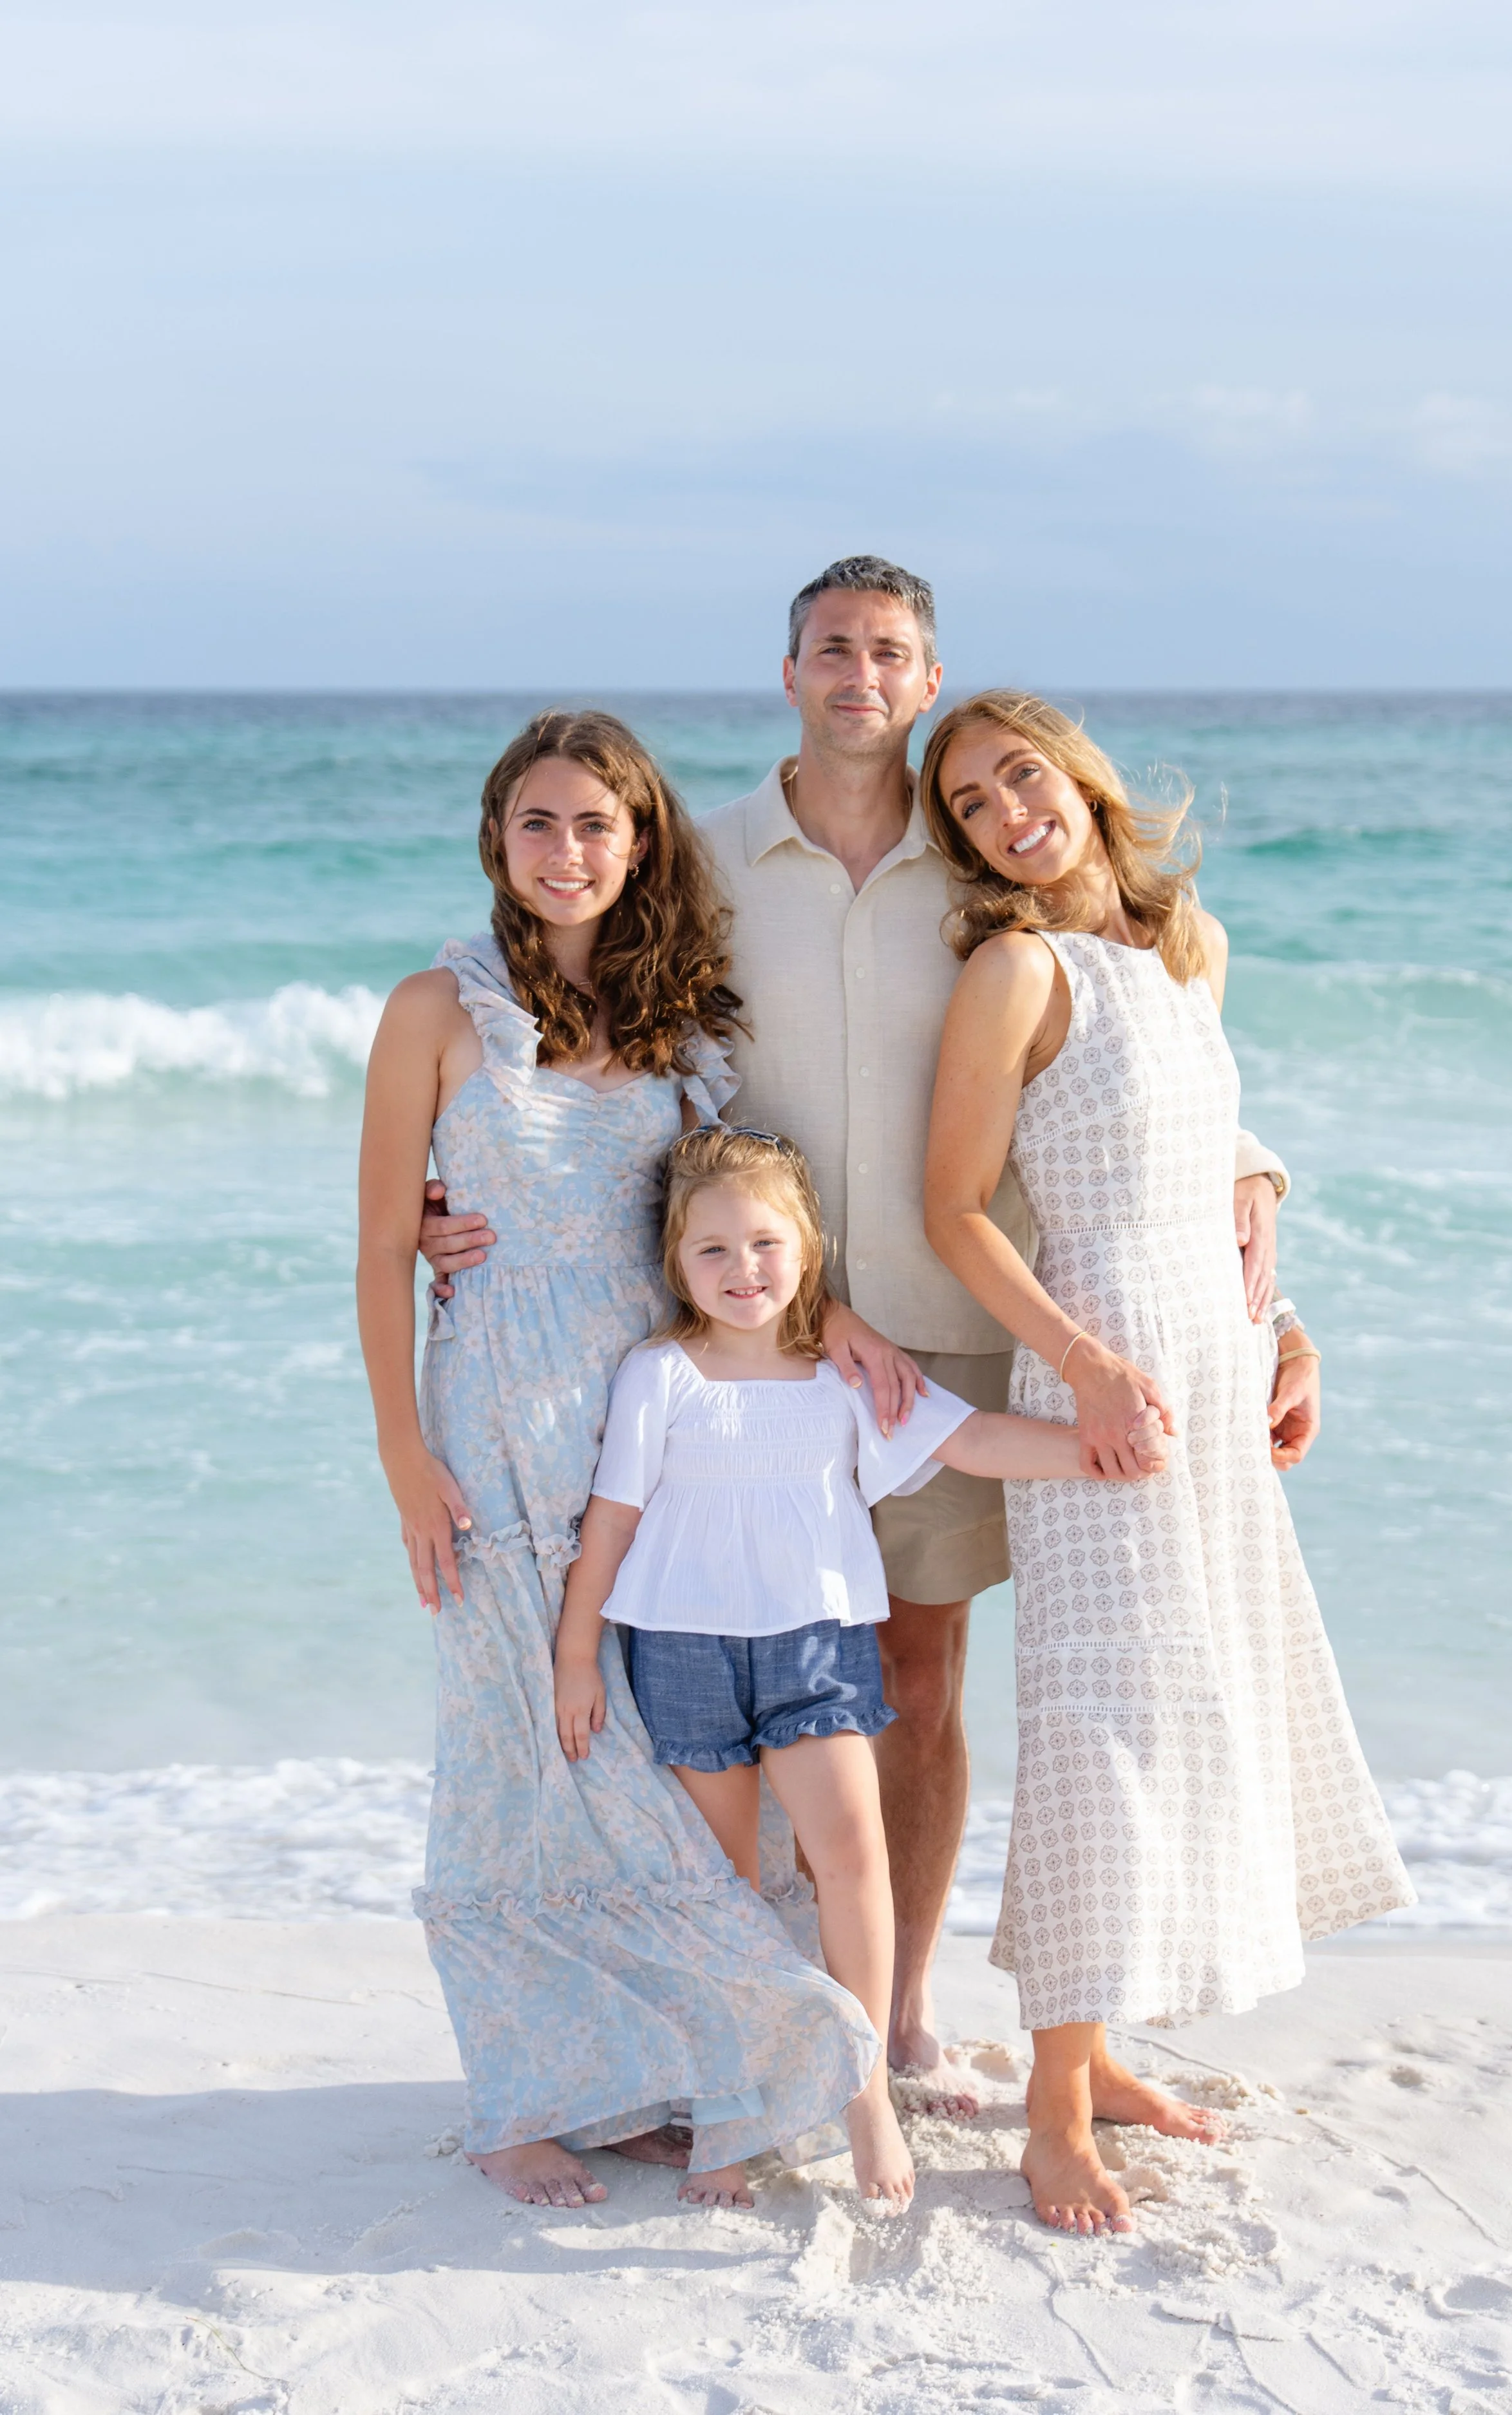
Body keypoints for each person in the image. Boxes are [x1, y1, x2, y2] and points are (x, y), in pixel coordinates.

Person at [419, 556, 1295, 2114]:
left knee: (919, 1672)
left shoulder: (984, 875)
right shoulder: (701, 854)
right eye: (832, 648)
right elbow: (598, 1020)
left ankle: (894, 2019)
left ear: (926, 673)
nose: (859, 675)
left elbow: (1140, 1045)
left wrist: (1251, 1179)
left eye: (890, 651)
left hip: (963, 1331)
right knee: (732, 1676)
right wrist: (465, 1181)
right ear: (788, 671)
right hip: (760, 1349)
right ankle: (762, 2018)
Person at [356, 707, 881, 2215]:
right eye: (537, 822)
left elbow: (734, 1225)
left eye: (597, 822)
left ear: (641, 840)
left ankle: (658, 2063)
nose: (566, 850)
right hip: (495, 1421)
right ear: (496, 840)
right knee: (518, 1748)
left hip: (662, 1429)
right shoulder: (435, 1010)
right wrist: (403, 1450)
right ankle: (518, 2100)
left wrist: (833, 1333)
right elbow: (385, 1247)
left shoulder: (683, 1028)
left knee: (651, 1751)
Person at [920, 688, 1413, 2235]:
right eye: (973, 806)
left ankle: (1104, 2055)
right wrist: (1084, 1371)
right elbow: (956, 1211)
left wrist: (1295, 1342)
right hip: (1102, 1367)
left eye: (1020, 776)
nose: (1008, 813)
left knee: (1193, 1698)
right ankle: (1050, 2110)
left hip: (1209, 1357)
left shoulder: (1180, 950)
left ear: (1078, 773)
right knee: (1099, 1721)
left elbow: (1219, 1182)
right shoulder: (1012, 970)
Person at [551, 1124, 1167, 2210]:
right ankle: (731, 2105)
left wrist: (1090, 1447)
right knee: (724, 1889)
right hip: (684, 1652)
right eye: (713, 1252)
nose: (743, 1271)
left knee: (850, 1858)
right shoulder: (659, 1377)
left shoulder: (843, 1377)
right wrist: (575, 1660)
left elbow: (970, 1440)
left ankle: (864, 2087)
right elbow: (609, 1522)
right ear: (674, 1264)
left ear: (808, 1250)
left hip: (816, 1648)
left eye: (764, 1244)